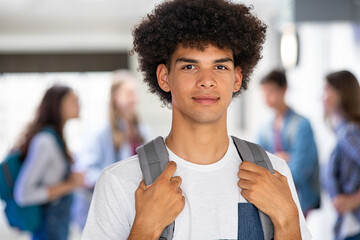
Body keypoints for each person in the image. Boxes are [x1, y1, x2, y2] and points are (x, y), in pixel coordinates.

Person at [81, 0, 312, 239]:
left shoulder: (275, 174)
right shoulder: (119, 182)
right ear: (164, 77)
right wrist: (145, 229)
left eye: (220, 67)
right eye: (190, 66)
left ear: (237, 78)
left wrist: (287, 221)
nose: (206, 80)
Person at [72, 70, 149, 229]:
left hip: (134, 212)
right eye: (128, 93)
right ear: (115, 96)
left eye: (135, 93)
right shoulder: (99, 131)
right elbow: (85, 172)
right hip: (106, 215)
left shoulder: (141, 130)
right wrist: (118, 183)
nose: (134, 97)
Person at [13, 85, 85, 240]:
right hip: (47, 231)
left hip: (58, 229)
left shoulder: (57, 139)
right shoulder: (45, 141)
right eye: (73, 100)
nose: (79, 104)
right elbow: (23, 193)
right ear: (58, 105)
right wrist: (71, 184)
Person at [257, 69, 320, 218]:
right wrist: (281, 158)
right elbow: (255, 162)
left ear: (283, 89)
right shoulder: (265, 128)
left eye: (270, 92)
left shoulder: (302, 125)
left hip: (299, 197)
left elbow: (300, 170)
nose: (266, 98)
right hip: (272, 197)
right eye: (264, 93)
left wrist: (271, 159)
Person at [322, 70, 360, 240]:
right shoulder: (342, 130)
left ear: (342, 93)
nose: (322, 96)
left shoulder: (350, 132)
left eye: (327, 90)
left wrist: (354, 200)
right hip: (348, 225)